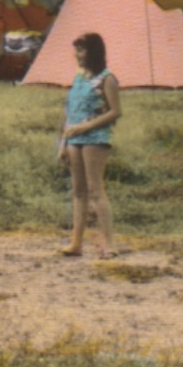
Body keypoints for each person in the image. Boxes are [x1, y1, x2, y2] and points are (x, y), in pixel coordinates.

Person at [60, 31, 122, 259]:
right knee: (78, 192)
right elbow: (69, 111)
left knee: (96, 190)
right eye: (76, 50)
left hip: (95, 139)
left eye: (81, 50)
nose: (77, 55)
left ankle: (109, 243)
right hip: (73, 138)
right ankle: (76, 242)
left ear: (92, 52)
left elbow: (115, 112)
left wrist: (85, 127)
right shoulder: (79, 77)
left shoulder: (107, 79)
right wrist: (63, 142)